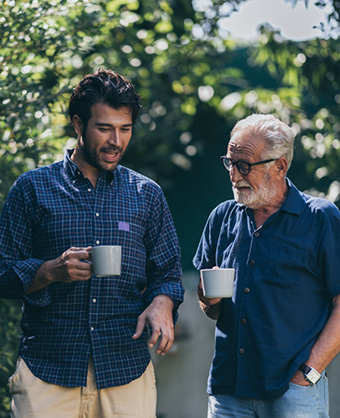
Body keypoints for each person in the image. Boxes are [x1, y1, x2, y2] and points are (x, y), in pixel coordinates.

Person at [0, 69, 184, 418]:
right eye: (104, 128)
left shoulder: (147, 195)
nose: (117, 140)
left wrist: (162, 302)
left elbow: (168, 275)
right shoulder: (33, 189)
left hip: (125, 371)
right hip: (48, 373)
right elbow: (3, 272)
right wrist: (51, 270)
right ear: (77, 125)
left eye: (125, 129)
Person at [193, 114, 340, 418]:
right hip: (228, 387)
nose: (234, 175)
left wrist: (309, 374)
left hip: (293, 390)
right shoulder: (221, 218)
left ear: (280, 166)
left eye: (244, 165)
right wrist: (208, 300)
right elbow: (210, 308)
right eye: (230, 163)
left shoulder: (321, 218)